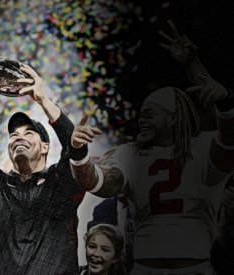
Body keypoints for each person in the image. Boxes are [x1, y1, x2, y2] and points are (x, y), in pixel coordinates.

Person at [69, 22, 234, 274]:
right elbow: (101, 183)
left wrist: (222, 100)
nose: (141, 120)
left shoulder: (201, 148)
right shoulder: (131, 153)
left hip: (194, 266)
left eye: (150, 114)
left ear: (173, 118)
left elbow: (229, 139)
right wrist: (79, 153)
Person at [0, 58, 90, 274]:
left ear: (46, 147)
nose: (19, 137)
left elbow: (75, 149)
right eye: (13, 135)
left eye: (29, 133)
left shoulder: (60, 183)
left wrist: (43, 99)